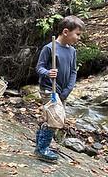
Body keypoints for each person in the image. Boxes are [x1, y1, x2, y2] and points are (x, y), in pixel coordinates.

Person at [34, 15, 83, 162]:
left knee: (51, 118)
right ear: (66, 32)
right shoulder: (49, 48)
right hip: (50, 89)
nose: (79, 38)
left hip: (63, 91)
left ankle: (40, 142)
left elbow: (73, 72)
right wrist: (48, 73)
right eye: (78, 34)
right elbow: (39, 67)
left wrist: (68, 89)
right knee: (56, 119)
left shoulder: (72, 51)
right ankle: (42, 149)